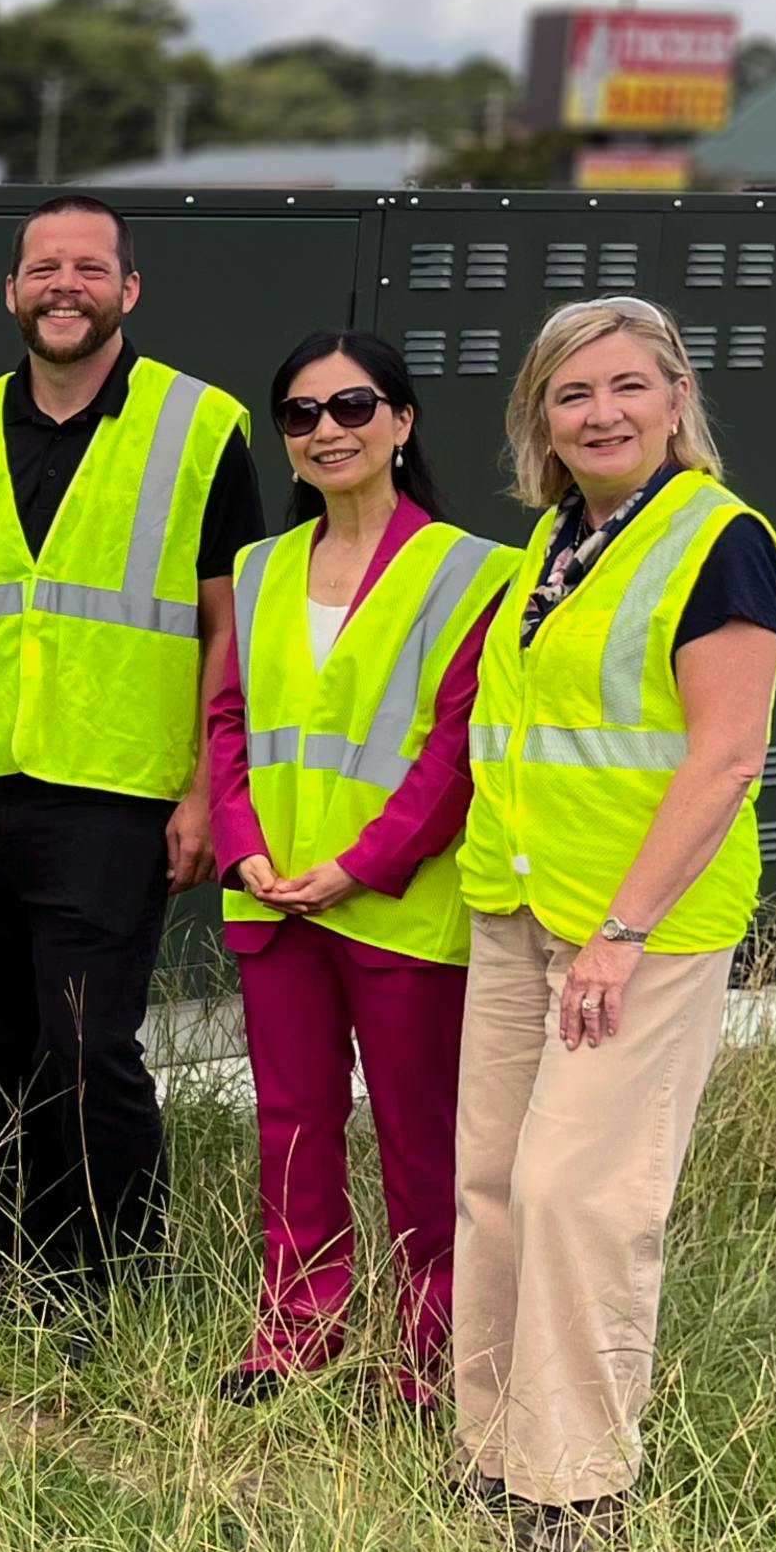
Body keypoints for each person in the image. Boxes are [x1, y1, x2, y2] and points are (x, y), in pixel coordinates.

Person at [455, 296, 776, 1552]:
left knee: (580, 1192)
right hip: (517, 905)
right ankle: (492, 1454)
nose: (599, 414)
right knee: (492, 1180)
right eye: (570, 394)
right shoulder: (555, 541)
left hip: (631, 933)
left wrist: (620, 932)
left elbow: (724, 758)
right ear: (540, 418)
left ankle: (577, 1485)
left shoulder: (718, 541)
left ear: (674, 396)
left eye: (623, 388)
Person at [0, 195, 268, 1335]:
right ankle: (24, 1261)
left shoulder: (200, 427)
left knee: (85, 1040)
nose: (65, 285)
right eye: (42, 267)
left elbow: (226, 628)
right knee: (5, 1045)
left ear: (127, 291)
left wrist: (206, 790)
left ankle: (120, 1270)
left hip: (114, 792)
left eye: (89, 268)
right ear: (11, 292)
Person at [204, 331, 516, 1407]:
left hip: (396, 905)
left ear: (401, 421)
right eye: (300, 414)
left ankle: (426, 1348)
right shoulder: (257, 568)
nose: (326, 429)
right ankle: (297, 1325)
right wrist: (242, 848)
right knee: (291, 1126)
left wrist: (354, 865)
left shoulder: (477, 571)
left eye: (350, 407)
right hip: (274, 898)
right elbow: (228, 719)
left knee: (418, 1136)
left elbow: (454, 751)